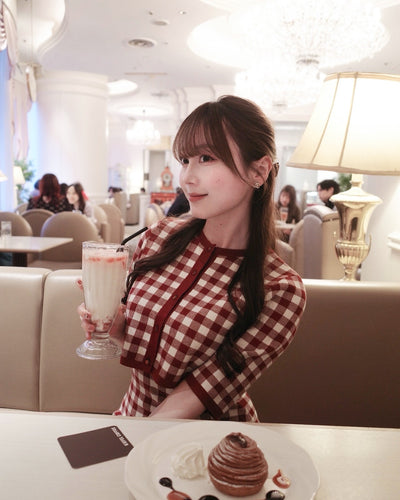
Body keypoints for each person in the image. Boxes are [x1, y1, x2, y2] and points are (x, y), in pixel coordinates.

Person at [78, 95, 306, 422]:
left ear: (259, 170)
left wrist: (134, 440)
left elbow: (198, 394)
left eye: (206, 158)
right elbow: (140, 340)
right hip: (131, 419)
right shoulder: (159, 238)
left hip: (206, 443)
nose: (186, 177)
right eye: (185, 160)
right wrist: (111, 324)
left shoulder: (280, 288)